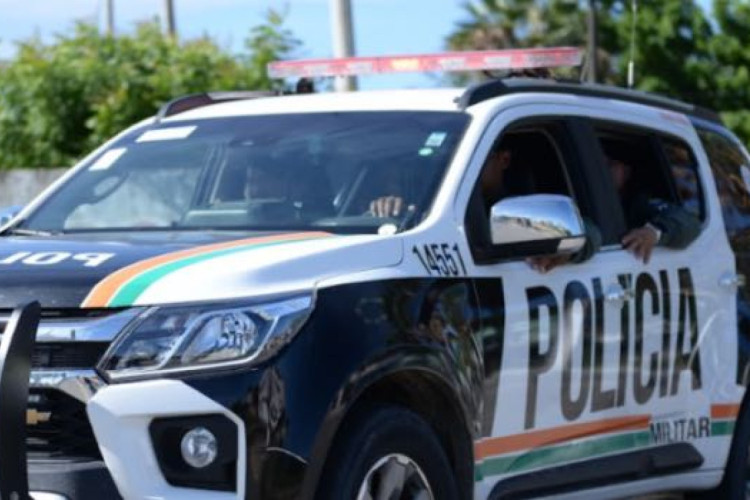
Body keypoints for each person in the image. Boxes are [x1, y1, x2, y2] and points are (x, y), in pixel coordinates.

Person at [609, 155, 701, 264]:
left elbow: (689, 223)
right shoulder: (588, 199)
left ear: (626, 171)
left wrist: (654, 231)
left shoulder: (638, 203)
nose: (604, 168)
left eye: (611, 164)